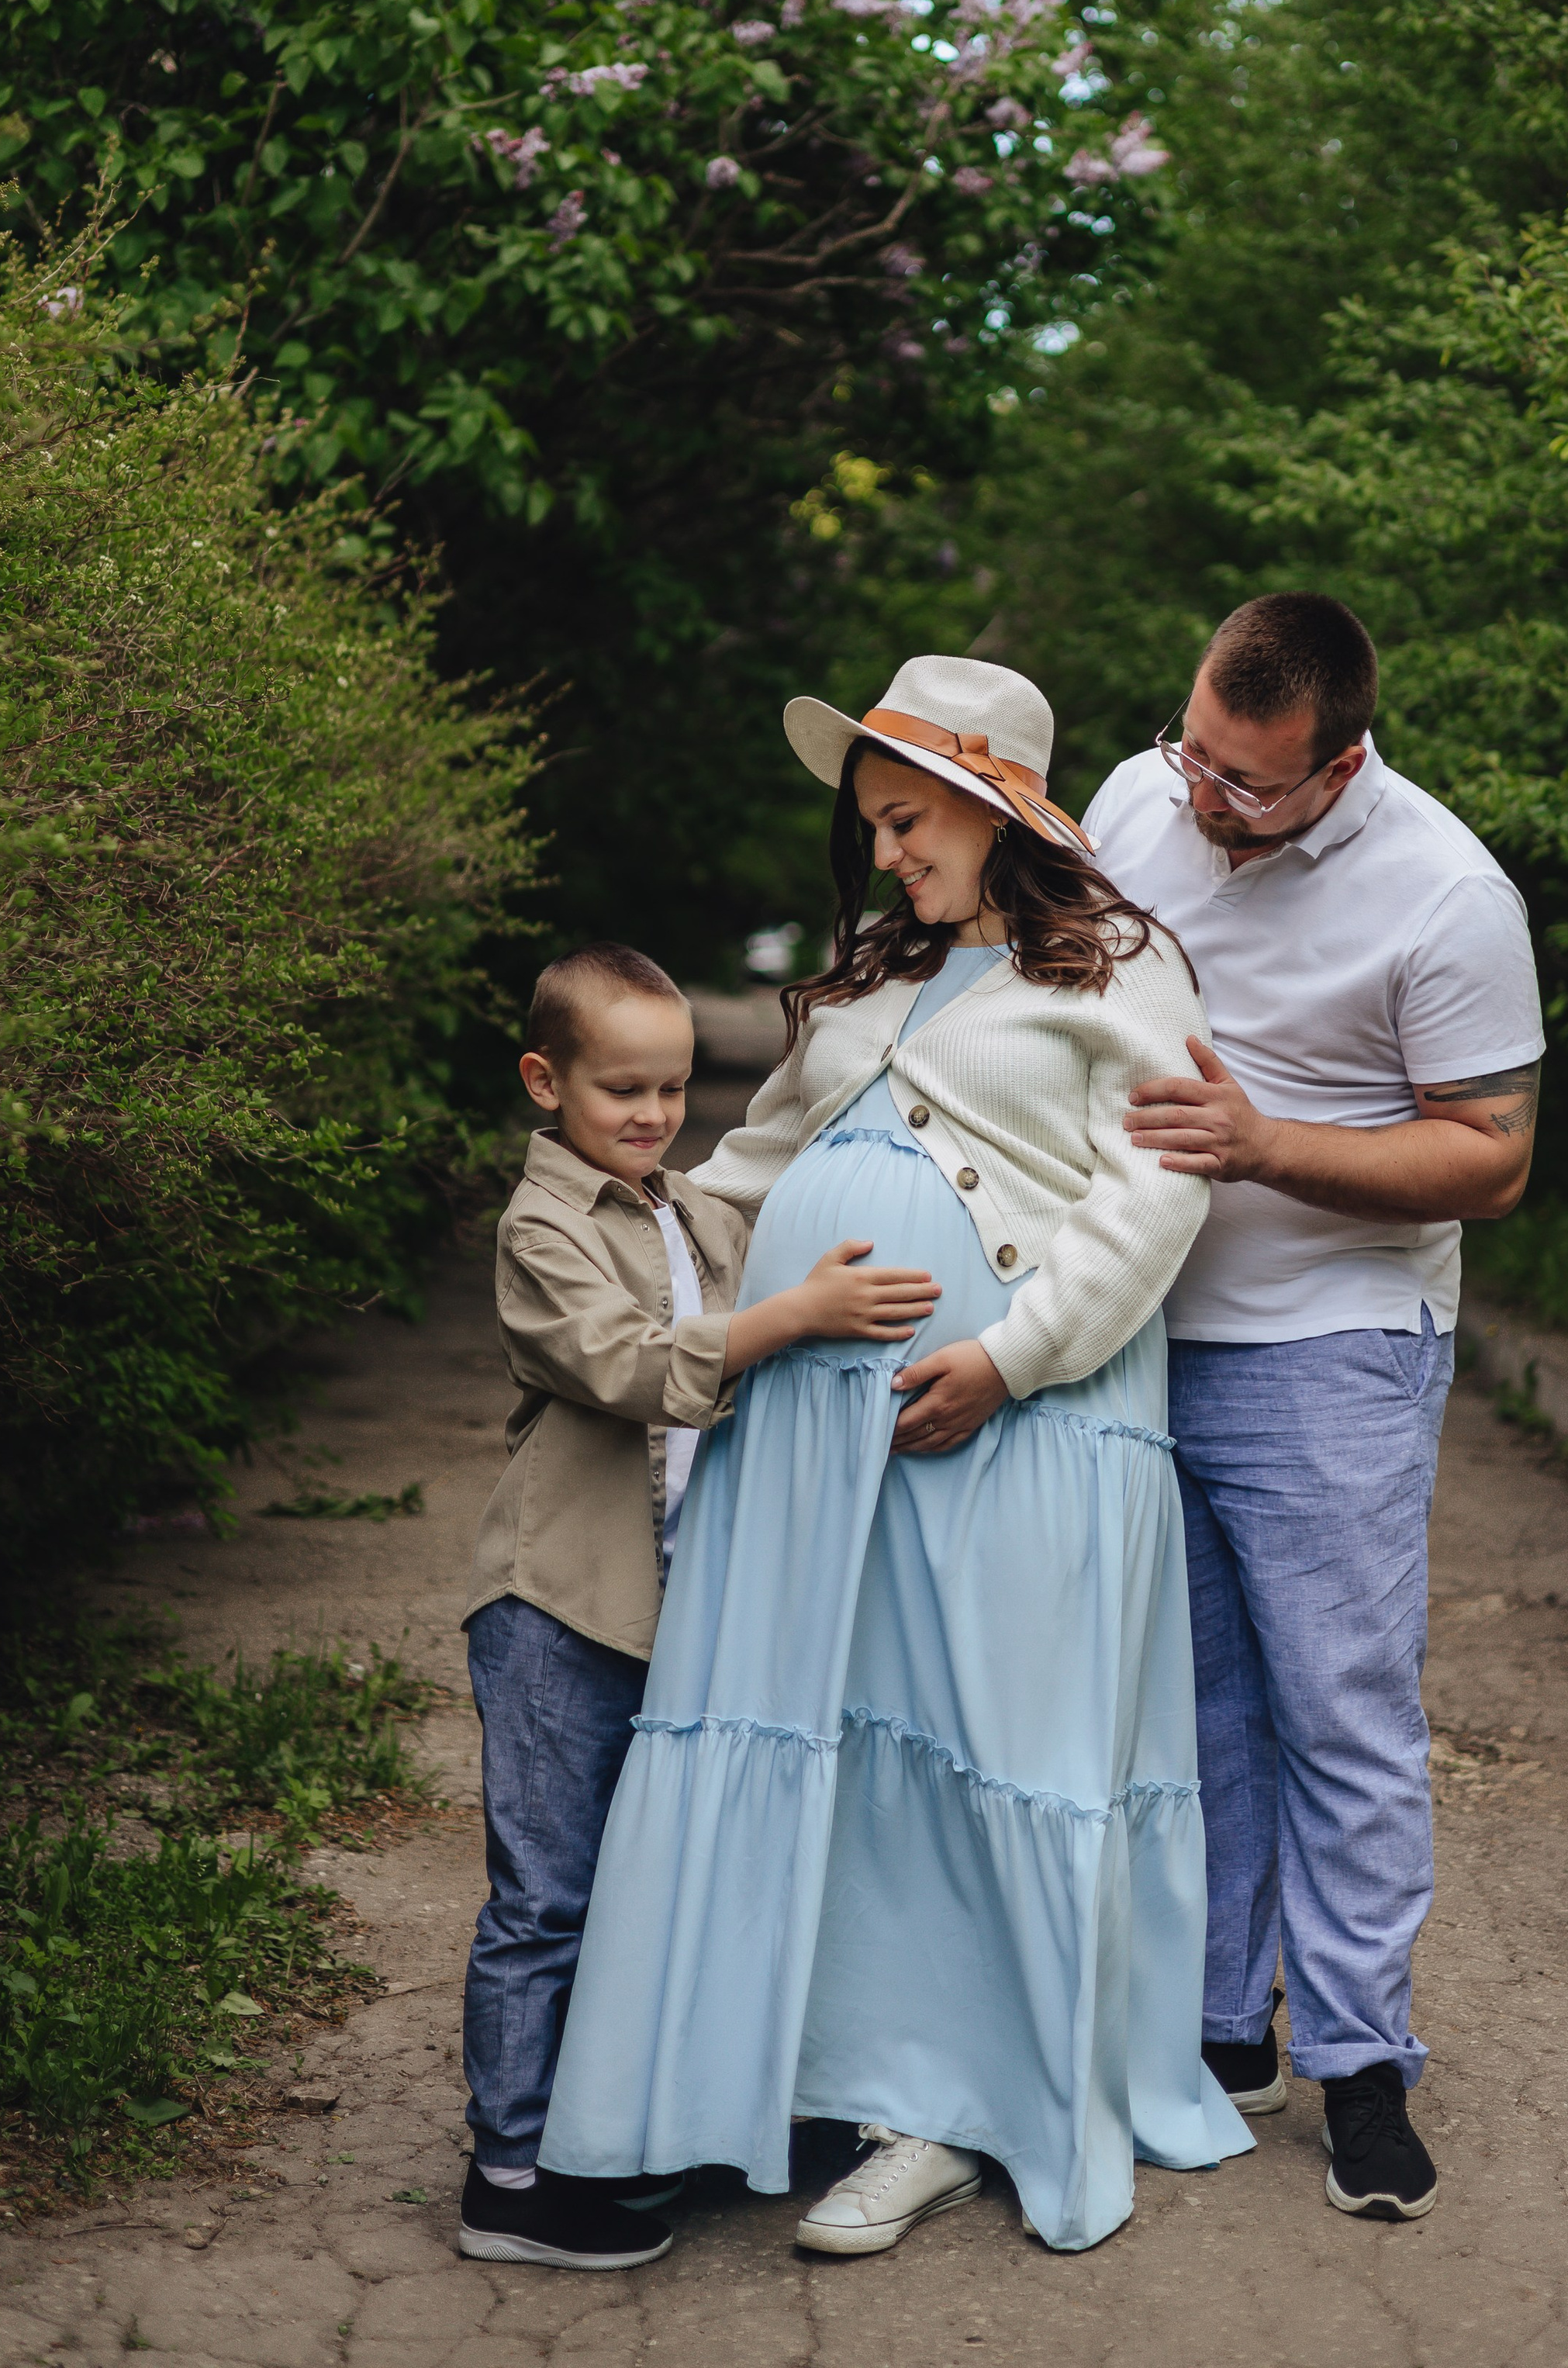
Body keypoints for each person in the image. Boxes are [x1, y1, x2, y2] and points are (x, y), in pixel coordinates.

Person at [535, 658, 1252, 2255]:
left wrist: (1008, 1355)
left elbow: (1155, 1194)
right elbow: (745, 1170)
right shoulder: (866, 980)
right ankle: (814, 2069)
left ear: (995, 808)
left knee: (976, 1740)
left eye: (905, 820)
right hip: (813, 1421)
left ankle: (944, 2105)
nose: (882, 854)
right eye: (868, 826)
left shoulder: (1119, 970)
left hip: (1028, 1415)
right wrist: (597, 1253)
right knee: (842, 1743)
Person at [1085, 593, 1544, 2225]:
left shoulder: (1444, 893)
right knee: (1191, 1704)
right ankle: (1225, 2029)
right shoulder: (1144, 793)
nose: (1199, 801)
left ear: (1338, 761)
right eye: (1189, 753)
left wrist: (1266, 1144)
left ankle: (1361, 2066)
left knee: (1338, 1713)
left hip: (1332, 1342)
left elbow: (1488, 1152)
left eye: (1245, 785)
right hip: (1135, 1330)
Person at [458, 942, 945, 2270]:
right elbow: (626, 1365)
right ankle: (507, 2173)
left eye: (673, 1088)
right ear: (544, 1083)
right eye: (623, 1089)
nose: (656, 1114)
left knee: (648, 1882)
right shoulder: (543, 1227)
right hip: (559, 1606)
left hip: (674, 1610)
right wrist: (793, 1318)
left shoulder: (690, 1210)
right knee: (545, 1899)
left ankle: (622, 2127)